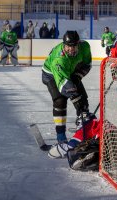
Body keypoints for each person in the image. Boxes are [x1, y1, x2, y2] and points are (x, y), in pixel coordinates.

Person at [41, 30, 92, 158]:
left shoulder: (85, 47)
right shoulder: (59, 59)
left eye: (74, 46)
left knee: (83, 103)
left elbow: (87, 65)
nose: (71, 49)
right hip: (51, 75)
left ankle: (83, 130)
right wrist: (75, 96)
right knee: (60, 100)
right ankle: (61, 137)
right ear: (64, 45)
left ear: (78, 44)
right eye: (68, 46)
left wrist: (77, 77)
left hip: (70, 72)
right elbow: (64, 85)